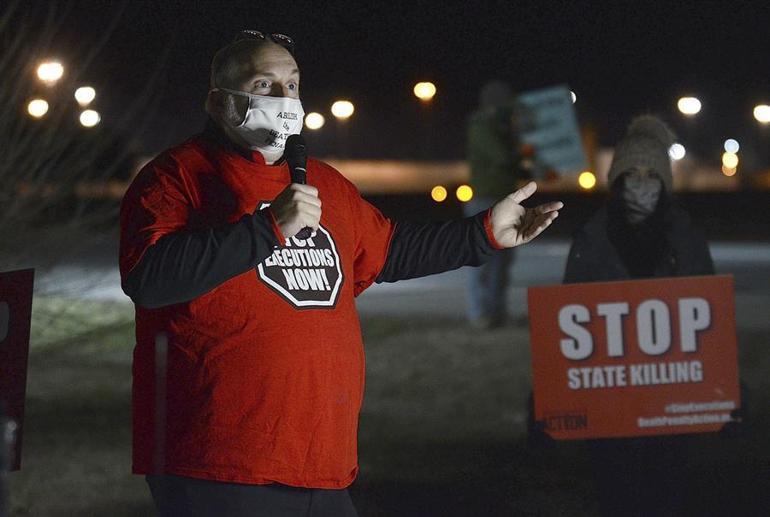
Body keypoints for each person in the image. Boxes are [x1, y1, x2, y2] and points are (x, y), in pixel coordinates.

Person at [119, 31, 562, 517]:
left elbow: (390, 250)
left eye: (292, 84)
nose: (284, 98)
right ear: (219, 102)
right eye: (264, 85)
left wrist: (483, 234)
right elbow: (149, 278)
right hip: (218, 463)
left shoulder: (321, 182)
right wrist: (267, 229)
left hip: (322, 462)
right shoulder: (174, 177)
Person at [563, 115, 714, 516]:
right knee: (617, 492)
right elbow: (567, 318)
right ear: (617, 180)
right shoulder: (592, 237)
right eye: (632, 173)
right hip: (610, 404)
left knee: (667, 490)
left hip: (671, 403)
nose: (642, 183)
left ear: (665, 182)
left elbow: (710, 317)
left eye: (652, 174)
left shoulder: (686, 237)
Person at [464, 80, 529, 329]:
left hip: (504, 198)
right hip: (486, 199)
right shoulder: (482, 126)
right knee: (482, 259)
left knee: (502, 261)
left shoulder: (502, 127)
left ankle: (496, 313)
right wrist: (526, 151)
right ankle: (480, 314)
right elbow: (501, 157)